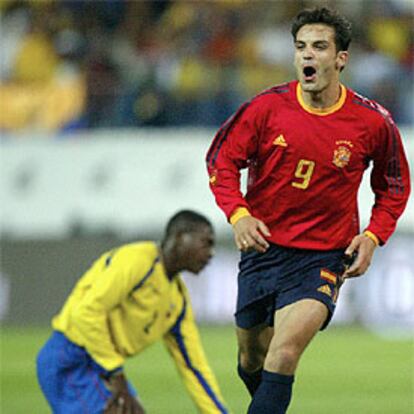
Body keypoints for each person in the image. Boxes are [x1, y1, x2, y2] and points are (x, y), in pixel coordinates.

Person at [206, 7, 410, 414]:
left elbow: (394, 186)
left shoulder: (372, 123)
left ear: (341, 58)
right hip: (263, 252)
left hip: (323, 255)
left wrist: (372, 237)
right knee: (253, 359)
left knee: (283, 354)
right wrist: (238, 214)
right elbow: (221, 162)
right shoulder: (265, 109)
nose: (307, 56)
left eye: (319, 47)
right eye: (301, 48)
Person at [36, 210, 230, 414]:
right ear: (180, 237)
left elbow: (194, 367)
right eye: (206, 243)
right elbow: (86, 312)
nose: (211, 253)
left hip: (103, 367)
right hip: (72, 358)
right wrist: (115, 371)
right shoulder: (138, 261)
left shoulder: (177, 301)